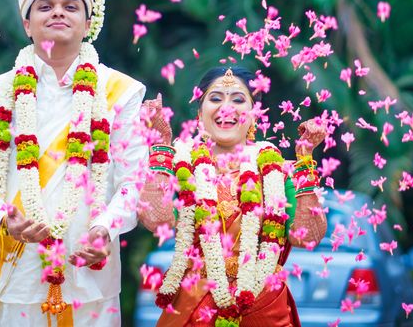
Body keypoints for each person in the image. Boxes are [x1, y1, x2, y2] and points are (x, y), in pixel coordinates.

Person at [0, 0, 147, 327]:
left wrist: (104, 228)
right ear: (27, 23)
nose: (57, 12)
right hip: (12, 277)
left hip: (89, 279)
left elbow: (134, 183)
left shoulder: (121, 92)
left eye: (70, 5)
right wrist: (4, 218)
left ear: (88, 21)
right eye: (44, 5)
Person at [138, 66, 328, 327]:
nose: (226, 108)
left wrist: (305, 159)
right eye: (215, 98)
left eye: (238, 100)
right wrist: (160, 144)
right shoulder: (182, 163)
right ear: (199, 112)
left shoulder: (276, 171)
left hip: (262, 306)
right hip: (195, 308)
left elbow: (307, 237)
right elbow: (155, 221)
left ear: (254, 115)